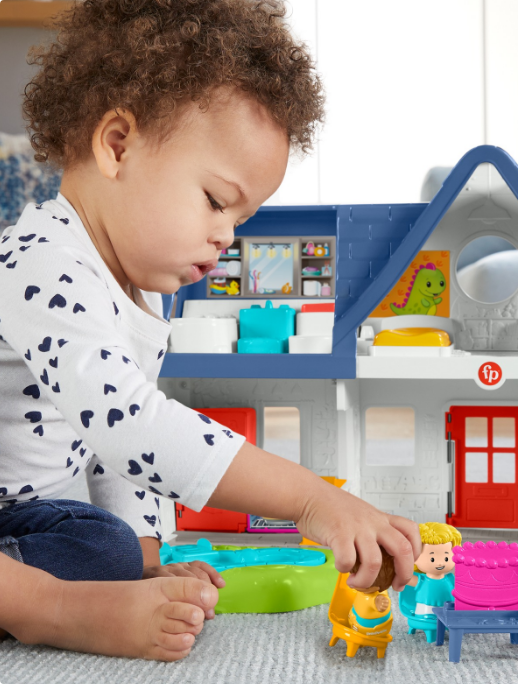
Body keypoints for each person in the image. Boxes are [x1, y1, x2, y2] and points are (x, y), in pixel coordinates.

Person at [0, 0, 420, 661]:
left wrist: (142, 558)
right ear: (118, 145)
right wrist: (310, 500)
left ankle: (89, 580)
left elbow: (118, 461)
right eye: (216, 201)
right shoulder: (42, 263)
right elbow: (131, 425)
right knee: (86, 554)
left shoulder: (140, 293)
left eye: (242, 218)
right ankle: (51, 608)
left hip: (28, 527)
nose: (227, 236)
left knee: (105, 546)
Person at [405, 522, 461, 617]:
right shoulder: (422, 580)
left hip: (448, 613)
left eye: (446, 558)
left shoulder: (450, 578)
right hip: (425, 612)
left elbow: (463, 581)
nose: (440, 563)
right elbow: (404, 578)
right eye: (432, 559)